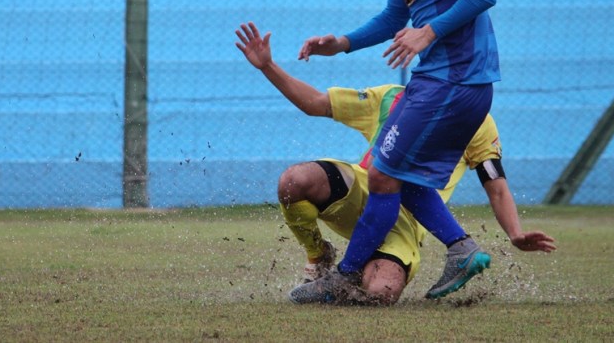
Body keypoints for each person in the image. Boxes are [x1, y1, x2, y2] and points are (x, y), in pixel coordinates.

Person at [296, 0, 502, 300]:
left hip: (455, 82)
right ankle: (461, 249)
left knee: (385, 175)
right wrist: (342, 44)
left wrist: (428, 32)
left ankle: (346, 275)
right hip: (440, 82)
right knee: (397, 178)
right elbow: (393, 17)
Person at [235, 22, 555, 305]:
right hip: (363, 189)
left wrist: (515, 233)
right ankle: (319, 256)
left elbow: (496, 187)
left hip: (406, 223)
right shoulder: (389, 96)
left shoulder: (475, 118)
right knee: (294, 181)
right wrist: (268, 67)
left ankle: (357, 270)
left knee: (379, 294)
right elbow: (316, 103)